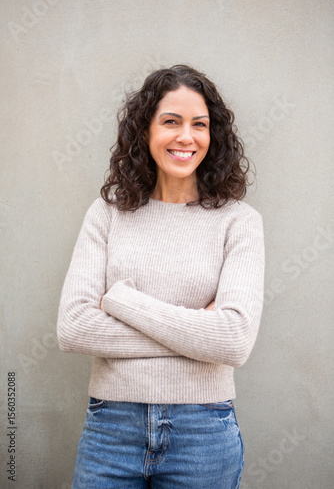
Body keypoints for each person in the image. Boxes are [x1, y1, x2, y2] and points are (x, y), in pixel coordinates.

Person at [57, 64, 265, 489]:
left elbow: (234, 340)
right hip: (111, 428)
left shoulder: (239, 222)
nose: (186, 136)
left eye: (199, 125)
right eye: (171, 121)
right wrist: (197, 333)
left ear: (214, 135)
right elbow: (74, 328)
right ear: (145, 131)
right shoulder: (108, 214)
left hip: (203, 432)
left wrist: (121, 302)